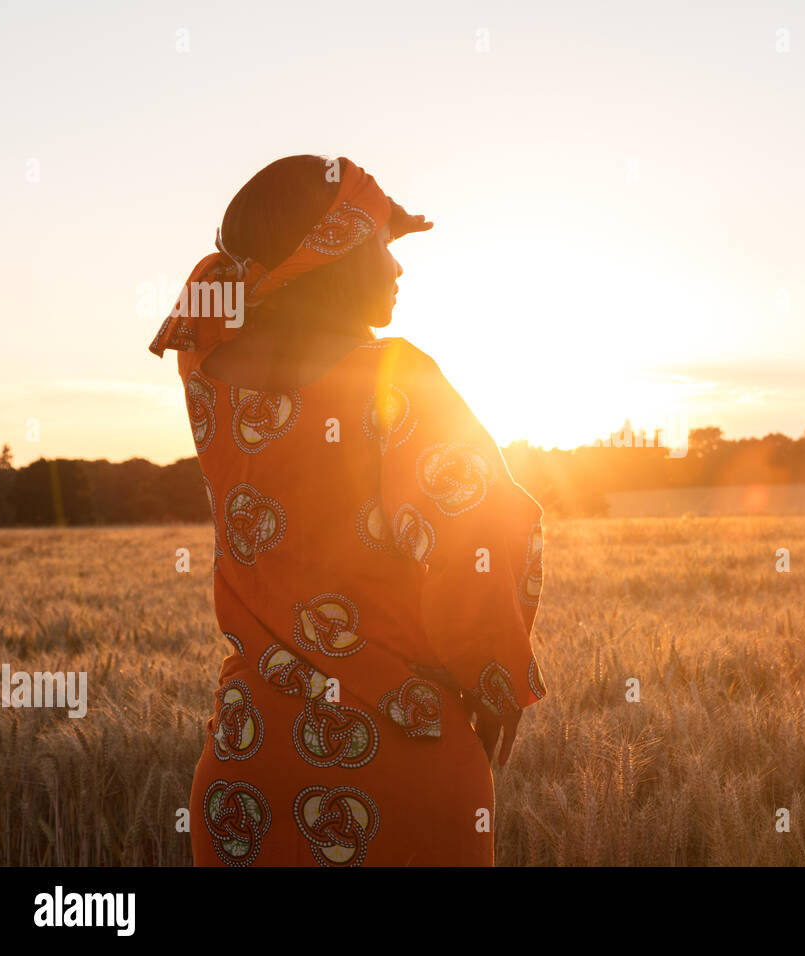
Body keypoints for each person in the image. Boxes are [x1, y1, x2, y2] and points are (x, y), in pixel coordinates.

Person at [149, 155, 547, 866]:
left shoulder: (207, 376)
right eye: (380, 246)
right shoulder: (397, 379)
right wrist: (497, 681)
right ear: (329, 256)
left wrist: (356, 227)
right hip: (401, 761)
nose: (397, 268)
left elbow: (227, 290)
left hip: (245, 772)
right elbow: (485, 535)